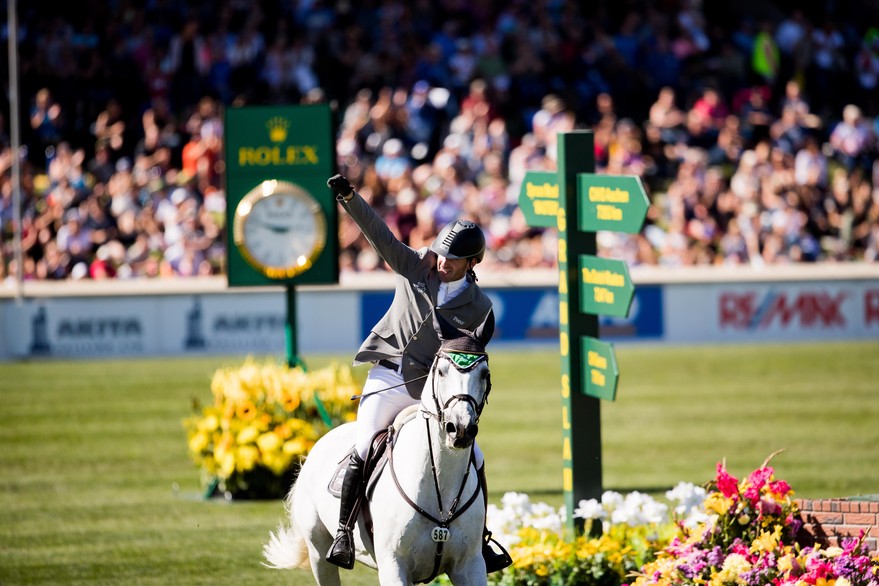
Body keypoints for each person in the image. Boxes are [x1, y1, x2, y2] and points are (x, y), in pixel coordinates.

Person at [326, 174, 512, 574]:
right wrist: (349, 198)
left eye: (453, 259)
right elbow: (380, 236)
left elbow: (466, 357)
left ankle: (480, 538)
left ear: (472, 263)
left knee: (474, 457)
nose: (443, 262)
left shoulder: (479, 306)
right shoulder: (415, 266)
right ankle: (343, 532)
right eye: (442, 254)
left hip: (433, 391)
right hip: (389, 378)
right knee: (362, 448)